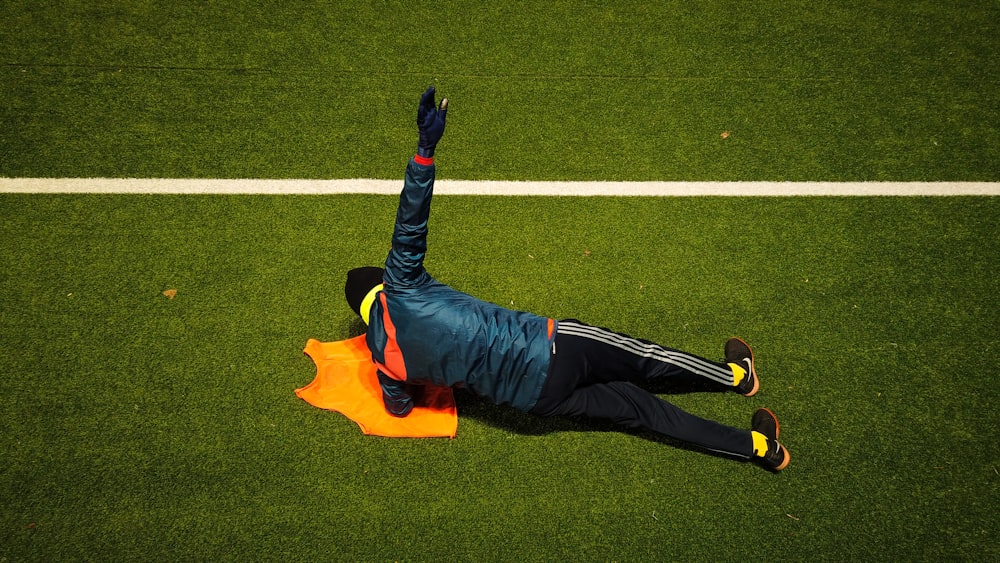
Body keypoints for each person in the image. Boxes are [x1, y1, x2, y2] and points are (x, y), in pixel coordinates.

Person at [344, 87, 790, 471]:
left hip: (536, 401)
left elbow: (398, 409)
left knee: (642, 411)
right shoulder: (401, 287)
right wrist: (425, 151)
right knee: (646, 360)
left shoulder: (387, 367)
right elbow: (410, 222)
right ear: (382, 284)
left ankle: (759, 448)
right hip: (553, 347)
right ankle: (736, 377)